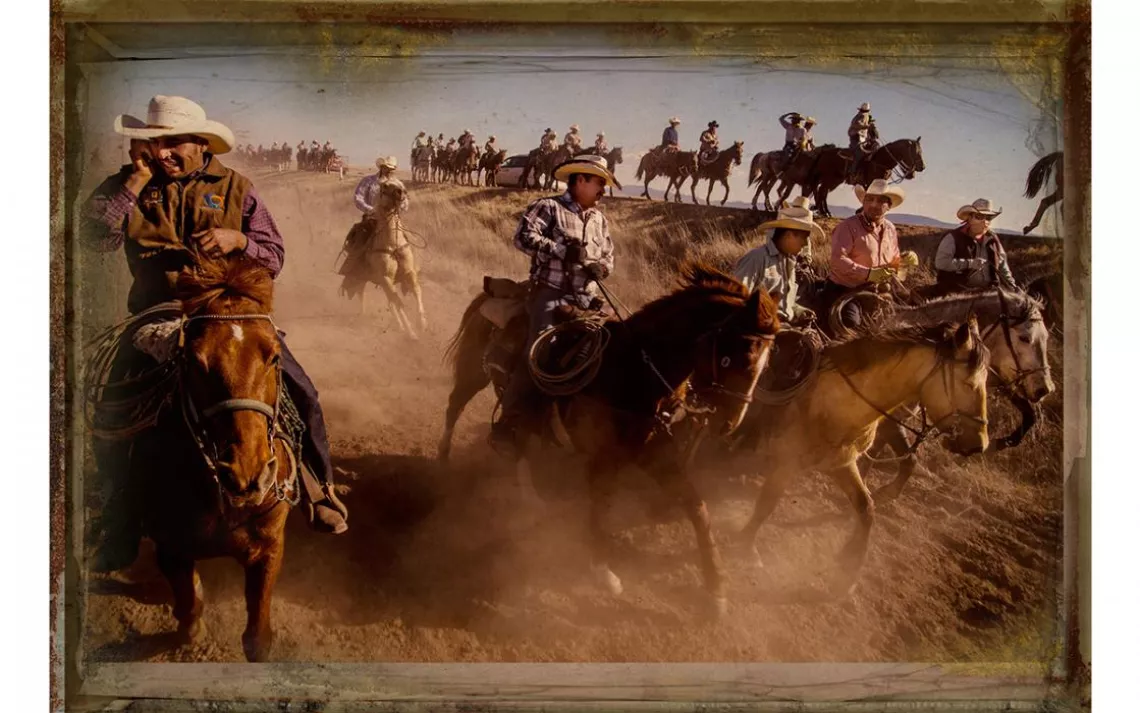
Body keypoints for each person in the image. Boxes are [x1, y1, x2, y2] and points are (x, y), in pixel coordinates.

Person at [79, 95, 349, 572]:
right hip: (158, 313)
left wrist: (239, 240)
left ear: (200, 142)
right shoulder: (130, 185)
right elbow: (93, 237)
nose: (161, 152)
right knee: (112, 408)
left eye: (171, 142)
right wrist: (137, 180)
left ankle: (317, 486)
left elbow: (274, 254)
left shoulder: (236, 188)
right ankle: (120, 520)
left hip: (232, 313)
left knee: (300, 389)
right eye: (152, 142)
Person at [491, 154, 621, 454]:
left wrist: (601, 268)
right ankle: (508, 423)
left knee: (615, 341)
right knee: (539, 351)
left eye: (604, 183)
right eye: (599, 182)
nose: (603, 189)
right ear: (579, 180)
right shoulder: (549, 206)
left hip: (586, 297)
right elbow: (522, 237)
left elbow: (609, 256)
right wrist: (561, 250)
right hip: (549, 292)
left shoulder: (600, 219)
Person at [820, 179, 914, 330]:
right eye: (869, 199)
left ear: (889, 205)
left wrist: (903, 260)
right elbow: (838, 260)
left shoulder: (890, 229)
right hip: (844, 290)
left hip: (876, 291)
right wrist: (868, 273)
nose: (874, 204)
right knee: (851, 326)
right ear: (863, 202)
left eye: (880, 201)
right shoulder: (847, 227)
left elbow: (892, 261)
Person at [732, 202, 823, 324]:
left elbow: (783, 303)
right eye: (804, 237)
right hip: (763, 330)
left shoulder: (789, 262)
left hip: (784, 326)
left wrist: (798, 310)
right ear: (789, 235)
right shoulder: (757, 258)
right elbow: (735, 299)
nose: (806, 244)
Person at [934, 198, 1017, 290]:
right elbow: (941, 263)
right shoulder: (953, 238)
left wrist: (1012, 287)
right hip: (957, 293)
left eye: (988, 218)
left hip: (989, 292)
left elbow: (1003, 268)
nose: (984, 222)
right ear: (970, 218)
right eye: (979, 217)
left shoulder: (993, 240)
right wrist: (969, 263)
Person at [847, 102, 877, 182]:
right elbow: (856, 124)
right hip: (856, 137)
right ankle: (852, 173)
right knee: (859, 154)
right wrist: (867, 126)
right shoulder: (860, 116)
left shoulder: (865, 116)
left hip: (862, 138)